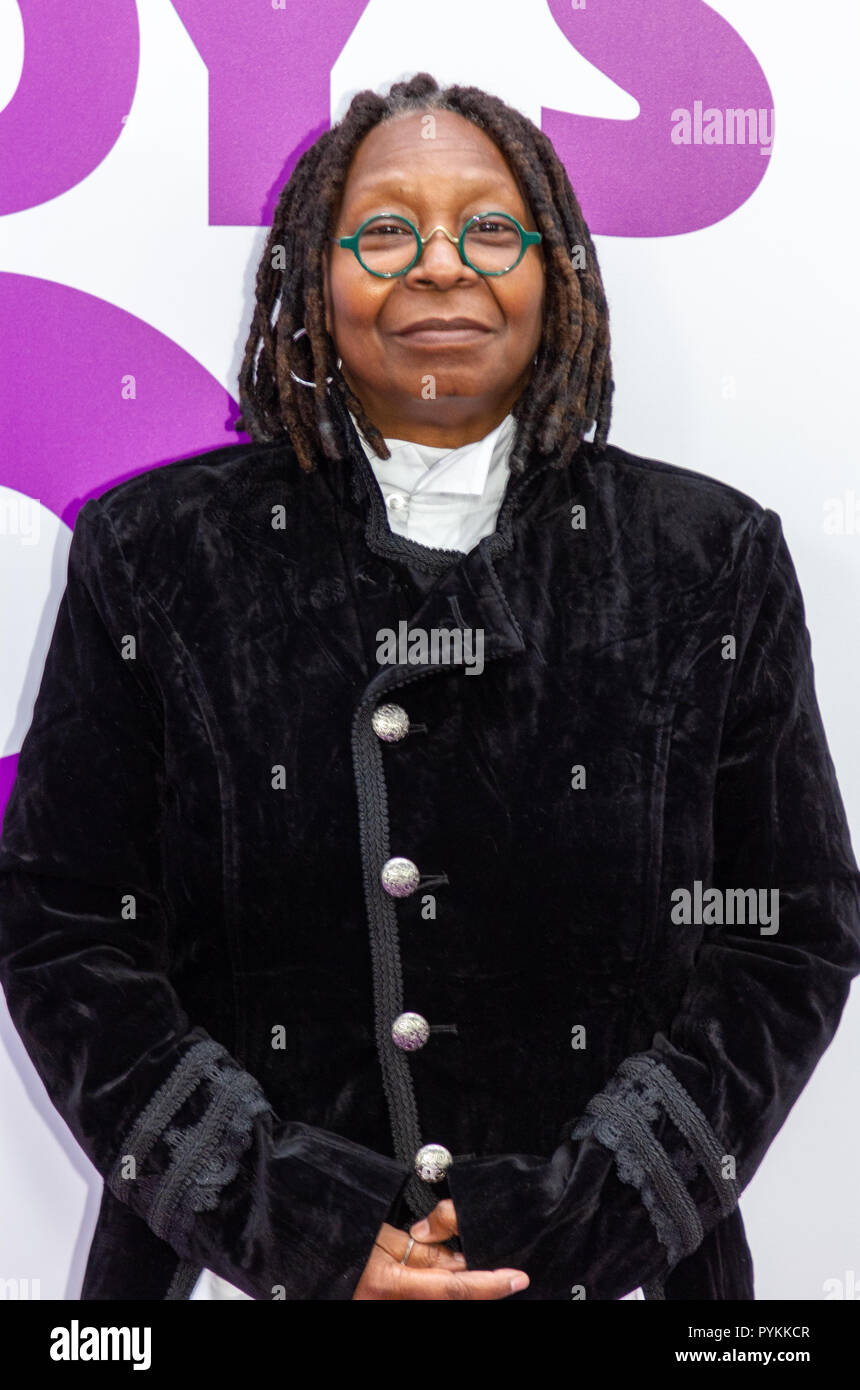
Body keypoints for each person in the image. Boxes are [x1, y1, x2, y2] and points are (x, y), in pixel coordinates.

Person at [0, 71, 858, 1302]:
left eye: (490, 229)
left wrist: (563, 1228)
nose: (439, 265)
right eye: (386, 230)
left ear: (554, 271)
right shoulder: (154, 553)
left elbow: (785, 929)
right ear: (314, 275)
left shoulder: (705, 557)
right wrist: (298, 1227)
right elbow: (66, 926)